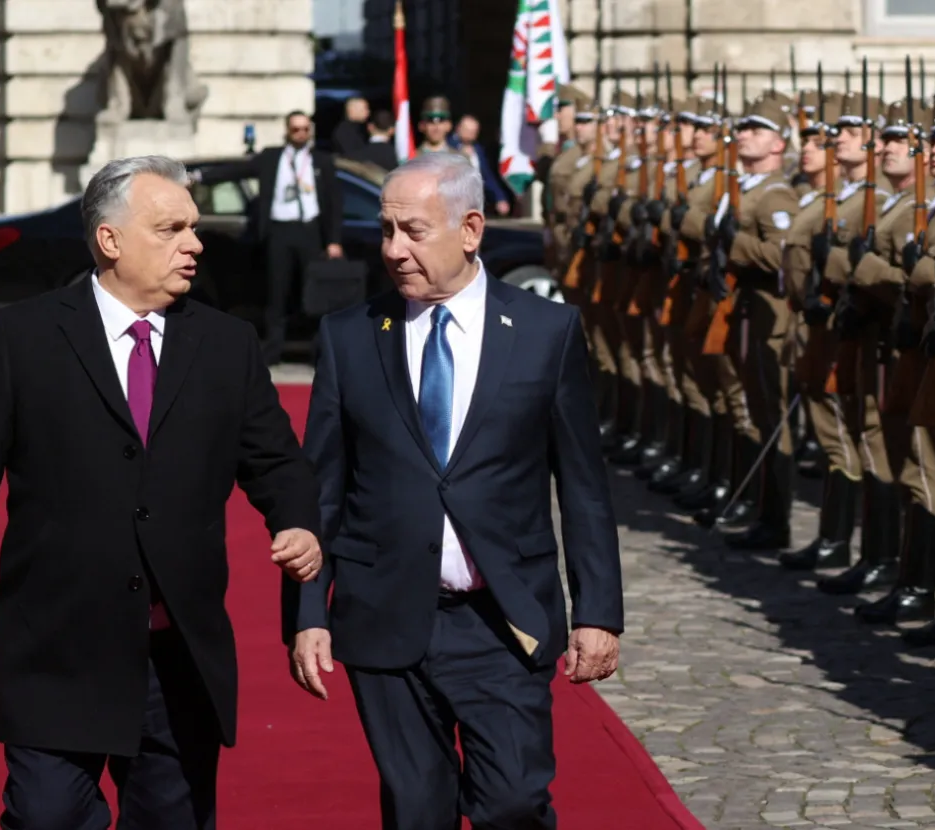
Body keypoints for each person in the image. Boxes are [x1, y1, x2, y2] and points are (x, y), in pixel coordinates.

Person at [0, 155, 325, 829]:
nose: (194, 244)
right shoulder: (25, 336)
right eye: (171, 229)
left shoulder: (227, 344)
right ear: (109, 240)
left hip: (178, 655)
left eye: (193, 228)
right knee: (46, 815)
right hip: (56, 647)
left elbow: (278, 463)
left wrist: (299, 523)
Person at [285, 151, 624, 829]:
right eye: (386, 231)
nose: (393, 250)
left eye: (412, 231)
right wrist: (307, 612)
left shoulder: (545, 332)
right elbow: (320, 491)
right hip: (384, 612)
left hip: (502, 618)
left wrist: (598, 611)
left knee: (512, 802)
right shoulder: (350, 336)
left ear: (470, 230)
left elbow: (583, 484)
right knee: (417, 811)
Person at [193, 110, 345, 365]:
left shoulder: (321, 161)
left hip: (310, 231)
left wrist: (334, 240)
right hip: (279, 232)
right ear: (287, 131)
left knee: (314, 293)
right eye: (296, 129)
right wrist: (200, 177)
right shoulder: (272, 157)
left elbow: (334, 202)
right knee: (277, 292)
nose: (301, 134)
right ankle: (274, 349)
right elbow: (238, 170)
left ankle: (318, 350)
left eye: (305, 129)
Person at [449, 114, 511, 215]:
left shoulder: (478, 149)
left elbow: (487, 176)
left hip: (473, 200)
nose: (470, 134)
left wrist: (500, 198)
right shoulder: (448, 146)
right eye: (467, 130)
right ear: (458, 128)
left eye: (473, 132)